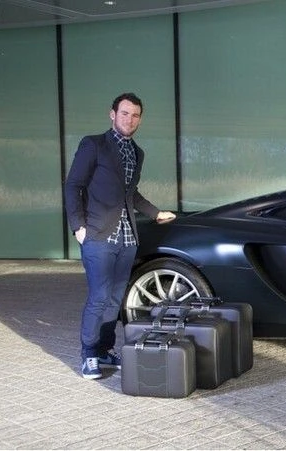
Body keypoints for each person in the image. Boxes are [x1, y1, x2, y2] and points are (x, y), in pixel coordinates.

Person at [64, 93, 176, 379]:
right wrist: (78, 225)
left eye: (135, 115)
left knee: (115, 299)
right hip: (98, 235)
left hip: (127, 237)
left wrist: (154, 213)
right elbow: (73, 185)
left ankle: (104, 350)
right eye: (124, 113)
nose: (130, 119)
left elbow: (131, 193)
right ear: (112, 114)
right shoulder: (94, 145)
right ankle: (88, 354)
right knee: (99, 297)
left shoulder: (137, 153)